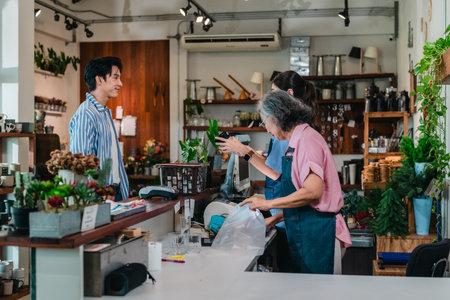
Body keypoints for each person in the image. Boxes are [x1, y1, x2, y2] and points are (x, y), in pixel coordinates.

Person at [216, 71, 318, 272]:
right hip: (287, 218)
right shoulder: (299, 133)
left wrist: (246, 153)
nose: (267, 129)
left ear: (287, 96)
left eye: (272, 93)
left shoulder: (296, 137)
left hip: (295, 223)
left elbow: (287, 181)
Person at [240, 90, 351, 274]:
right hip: (310, 232)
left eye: (264, 122)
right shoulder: (297, 141)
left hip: (321, 234)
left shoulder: (307, 141)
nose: (266, 129)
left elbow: (312, 192)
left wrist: (268, 203)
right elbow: (304, 200)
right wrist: (275, 219)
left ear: (277, 117)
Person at [69, 56, 129, 201]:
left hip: (115, 193)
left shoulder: (105, 112)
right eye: (115, 77)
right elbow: (82, 166)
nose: (120, 83)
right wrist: (101, 195)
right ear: (99, 79)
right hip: (101, 197)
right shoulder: (86, 114)